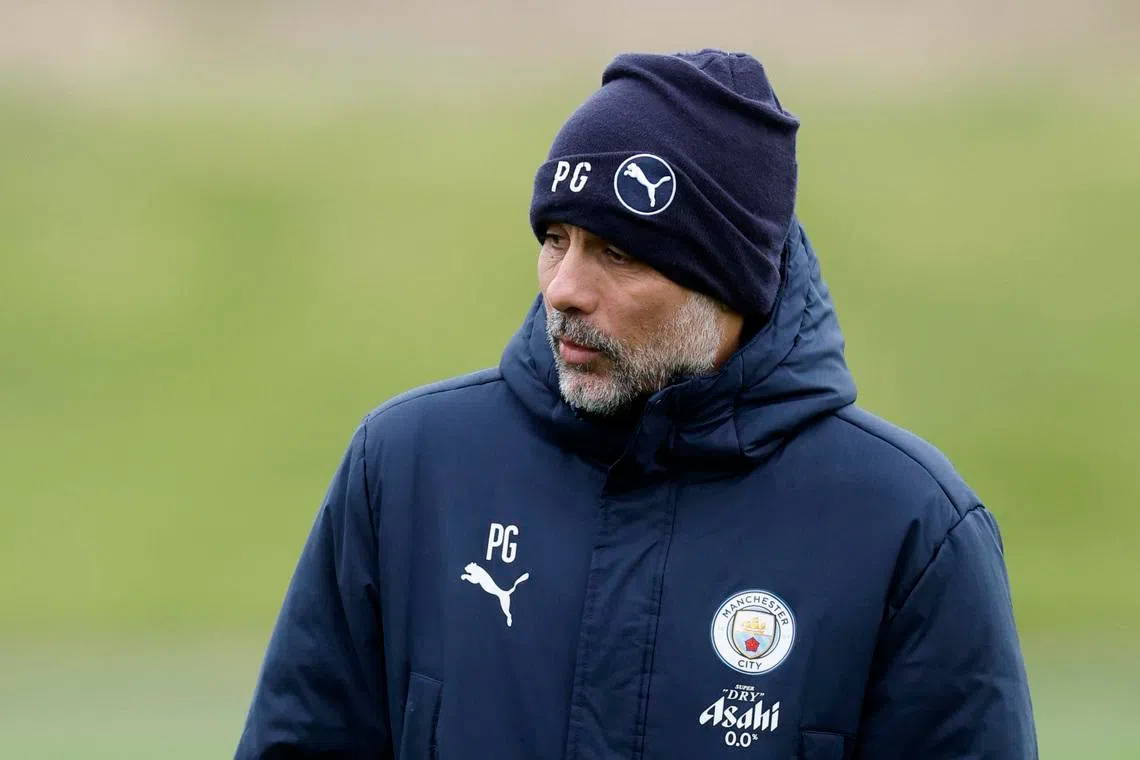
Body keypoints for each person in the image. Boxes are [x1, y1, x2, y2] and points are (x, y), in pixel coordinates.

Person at [235, 49, 1037, 759]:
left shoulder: (910, 528)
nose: (564, 289)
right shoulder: (408, 471)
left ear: (727, 285)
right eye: (556, 239)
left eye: (617, 253)